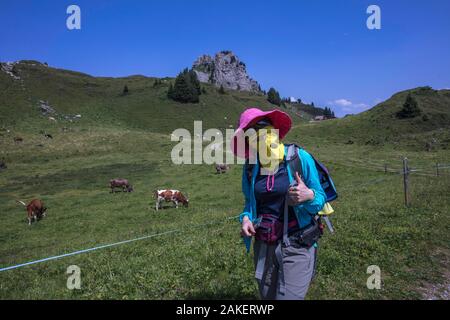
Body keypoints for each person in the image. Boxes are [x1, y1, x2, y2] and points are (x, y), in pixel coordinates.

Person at [231, 107, 326, 300]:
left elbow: (320, 199)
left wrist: (308, 196)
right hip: (264, 245)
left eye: (264, 126)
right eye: (252, 131)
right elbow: (250, 202)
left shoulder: (299, 158)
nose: (260, 133)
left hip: (297, 244)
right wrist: (246, 218)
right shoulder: (250, 167)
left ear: (274, 129)